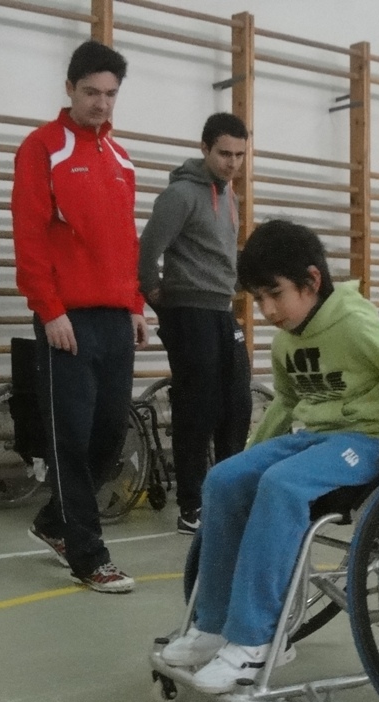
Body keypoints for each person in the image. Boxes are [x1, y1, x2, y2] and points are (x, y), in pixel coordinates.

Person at [160, 219, 379, 692]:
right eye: (258, 300)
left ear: (312, 282)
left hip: (372, 442)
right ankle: (213, 627)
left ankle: (256, 641)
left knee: (282, 484)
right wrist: (249, 461)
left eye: (275, 294)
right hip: (315, 438)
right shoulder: (285, 339)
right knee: (224, 480)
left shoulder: (355, 324)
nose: (268, 310)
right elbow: (288, 403)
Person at [11, 40, 148, 594]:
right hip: (66, 320)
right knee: (70, 438)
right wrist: (49, 310)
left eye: (110, 94)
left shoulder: (121, 159)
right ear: (69, 89)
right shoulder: (41, 148)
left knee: (109, 437)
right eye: (91, 92)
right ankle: (90, 557)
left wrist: (135, 304)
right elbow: (30, 236)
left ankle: (52, 522)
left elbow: (124, 242)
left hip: (116, 320)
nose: (101, 103)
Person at [138, 112, 253, 535]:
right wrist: (159, 300)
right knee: (197, 409)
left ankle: (224, 496)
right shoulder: (181, 195)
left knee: (237, 405)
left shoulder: (231, 196)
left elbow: (223, 257)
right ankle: (192, 505)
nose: (232, 163)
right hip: (188, 312)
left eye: (240, 155)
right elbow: (148, 249)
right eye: (224, 153)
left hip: (222, 310)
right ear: (204, 149)